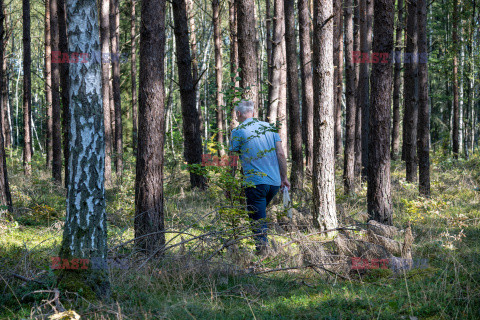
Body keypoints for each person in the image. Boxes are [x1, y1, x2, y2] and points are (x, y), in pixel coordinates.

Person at [229, 100, 290, 253]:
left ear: (238, 114)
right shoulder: (270, 128)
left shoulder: (238, 131)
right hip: (275, 183)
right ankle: (264, 249)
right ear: (253, 113)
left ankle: (263, 252)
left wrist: (230, 182)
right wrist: (284, 178)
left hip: (255, 183)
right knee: (259, 215)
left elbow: (233, 159)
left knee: (257, 219)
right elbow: (281, 154)